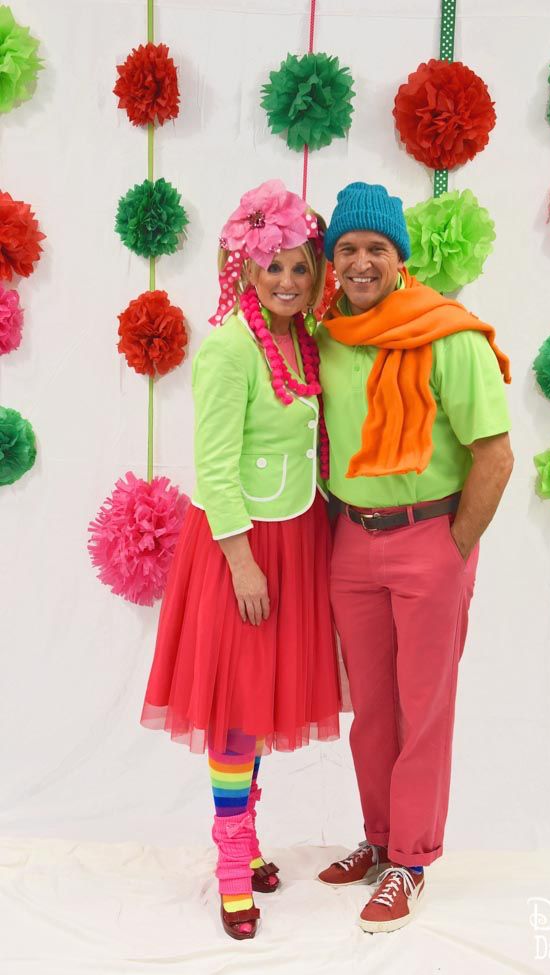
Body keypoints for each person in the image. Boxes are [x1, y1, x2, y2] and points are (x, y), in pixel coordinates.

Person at [141, 179, 342, 941]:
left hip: (296, 535)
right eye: (273, 268)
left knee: (261, 708)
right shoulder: (228, 347)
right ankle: (231, 863)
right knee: (233, 712)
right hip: (241, 545)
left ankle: (250, 837)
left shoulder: (302, 341)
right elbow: (214, 464)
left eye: (300, 267)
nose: (288, 281)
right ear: (246, 270)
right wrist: (242, 562)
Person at [316, 182, 513, 933]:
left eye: (376, 248)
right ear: (332, 261)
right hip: (350, 541)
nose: (361, 262)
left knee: (422, 708)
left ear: (400, 258)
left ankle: (413, 858)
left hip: (429, 537)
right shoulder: (328, 337)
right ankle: (377, 838)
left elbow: (494, 455)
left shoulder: (448, 336)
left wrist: (452, 547)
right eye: (347, 249)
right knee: (369, 707)